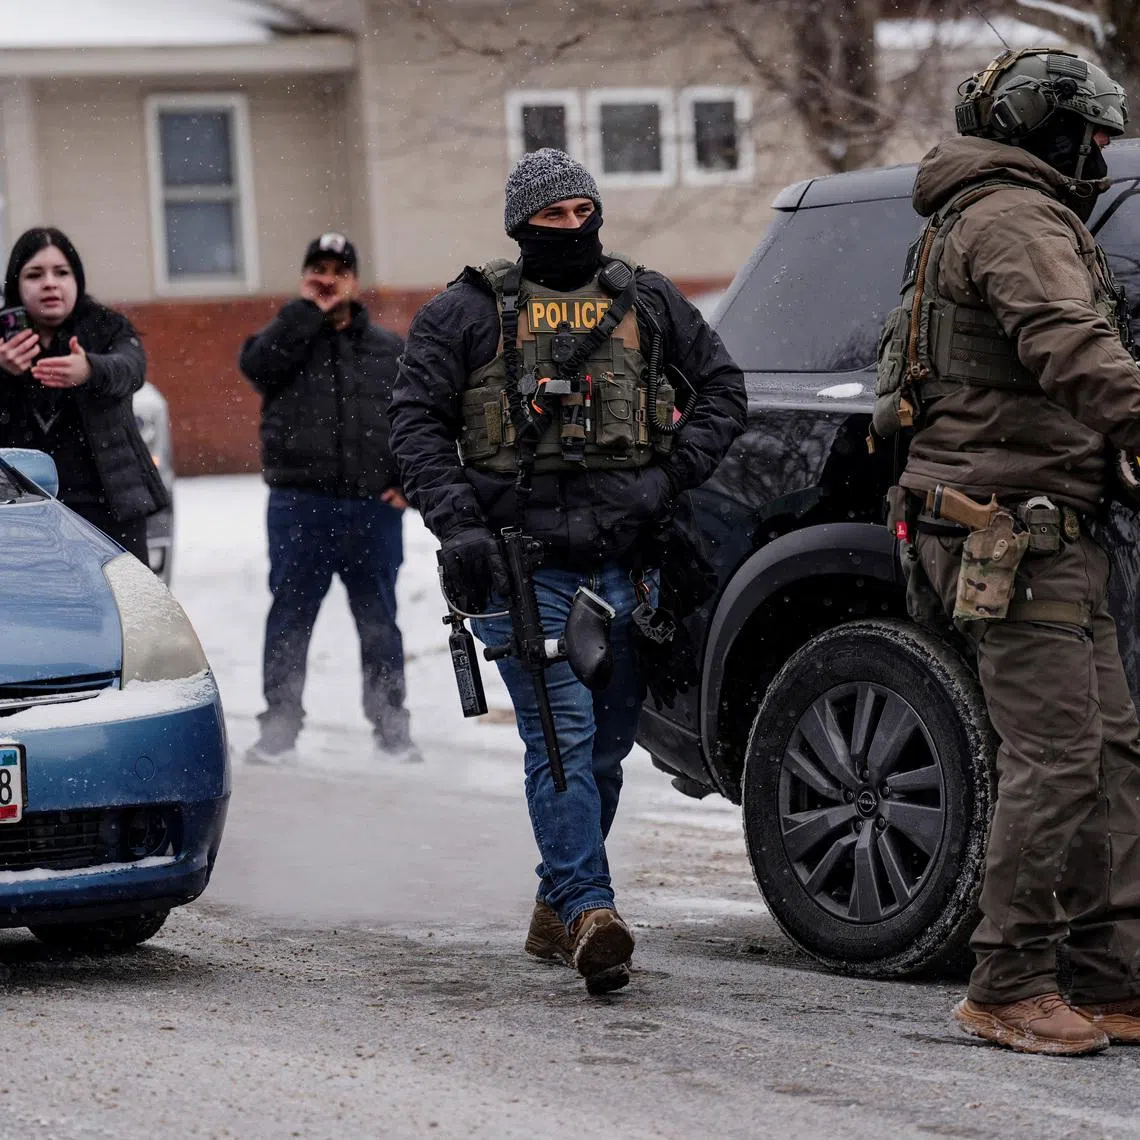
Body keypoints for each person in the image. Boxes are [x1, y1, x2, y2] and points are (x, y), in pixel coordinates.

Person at [389, 149, 746, 995]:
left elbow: (725, 390)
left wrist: (666, 477)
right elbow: (414, 424)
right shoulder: (466, 313)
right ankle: (592, 910)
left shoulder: (647, 299)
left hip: (626, 561)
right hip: (524, 567)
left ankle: (557, 906)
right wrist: (462, 525)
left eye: (585, 212)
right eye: (553, 217)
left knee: (611, 748)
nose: (573, 228)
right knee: (563, 738)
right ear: (521, 225)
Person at [873, 48, 1140, 1055]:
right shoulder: (1014, 217)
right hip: (1010, 531)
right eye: (1092, 129)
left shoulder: (1000, 211)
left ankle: (1114, 981)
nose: (1105, 148)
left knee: (1111, 754)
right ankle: (1009, 980)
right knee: (1061, 759)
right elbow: (1069, 345)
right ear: (1042, 126)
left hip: (1047, 522)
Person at [240, 232, 418, 766]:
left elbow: (418, 421)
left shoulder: (389, 350)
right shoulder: (286, 340)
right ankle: (279, 728)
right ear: (303, 277)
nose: (327, 277)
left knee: (379, 622)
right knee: (291, 619)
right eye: (317, 268)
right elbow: (255, 366)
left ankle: (392, 728)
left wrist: (407, 484)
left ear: (356, 281)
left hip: (372, 511)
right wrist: (304, 314)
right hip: (301, 508)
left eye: (338, 269)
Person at [0, 227, 168, 560]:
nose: (50, 283)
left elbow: (131, 369)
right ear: (15, 284)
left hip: (109, 505)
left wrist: (90, 369)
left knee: (124, 606)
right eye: (35, 274)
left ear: (77, 279)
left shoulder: (107, 327)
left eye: (62, 272)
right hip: (21, 511)